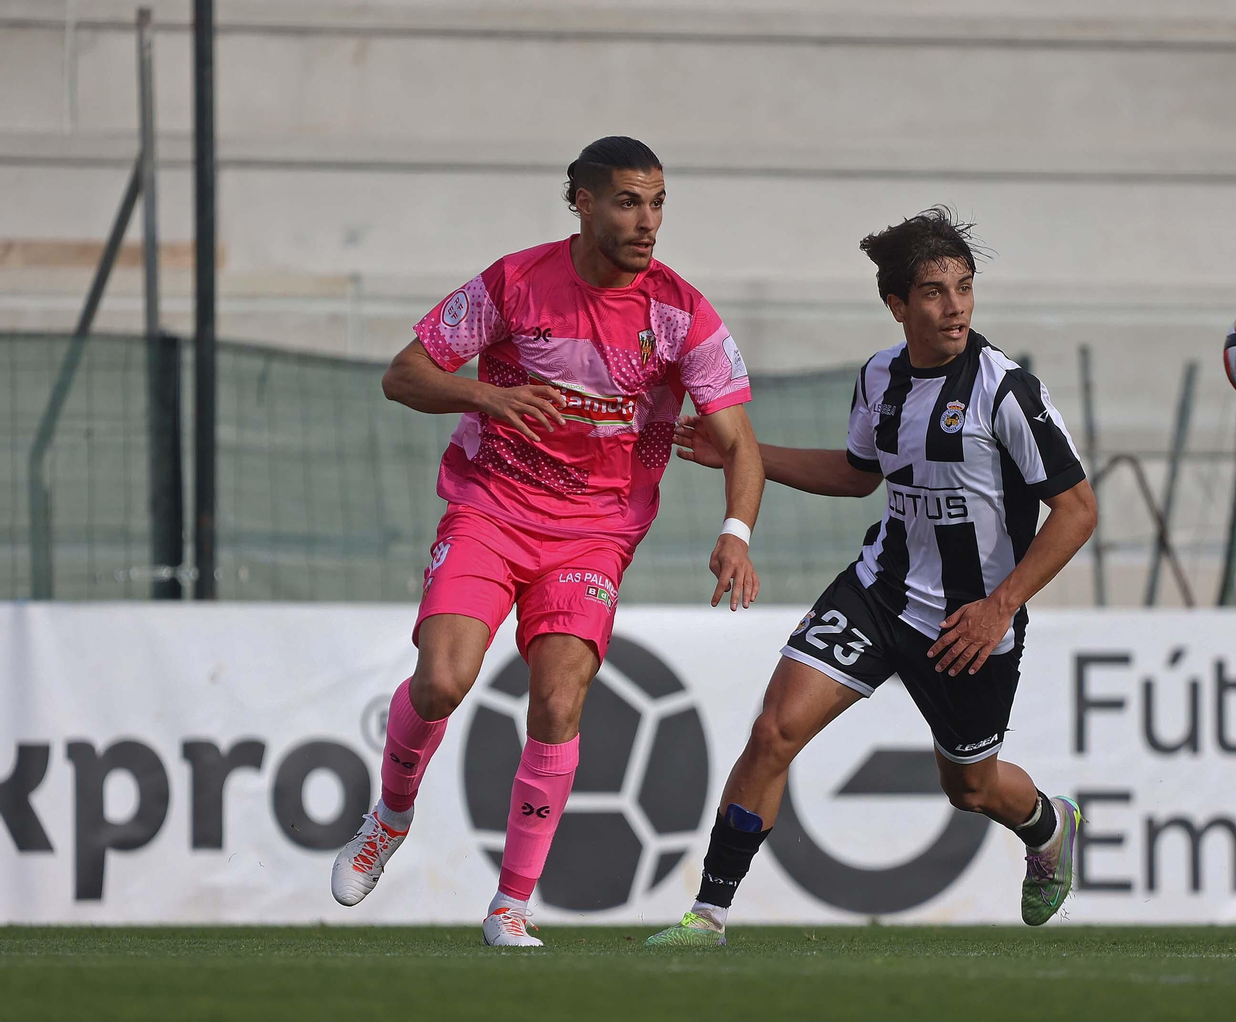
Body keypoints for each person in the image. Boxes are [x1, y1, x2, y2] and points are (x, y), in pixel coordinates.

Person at [330, 136, 764, 948]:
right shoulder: (516, 282)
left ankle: (510, 905)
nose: (648, 222)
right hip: (491, 508)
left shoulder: (681, 311)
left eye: (659, 202)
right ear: (583, 202)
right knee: (441, 683)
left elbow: (740, 441)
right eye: (630, 202)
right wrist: (488, 396)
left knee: (560, 700)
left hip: (595, 533)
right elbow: (404, 373)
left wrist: (735, 532)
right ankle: (388, 818)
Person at [647, 208, 1097, 945]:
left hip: (968, 623)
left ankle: (1050, 824)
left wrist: (998, 607)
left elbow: (1077, 511)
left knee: (972, 787)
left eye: (964, 287)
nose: (954, 306)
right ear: (897, 305)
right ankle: (710, 915)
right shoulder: (880, 377)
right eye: (933, 292)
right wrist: (742, 453)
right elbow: (858, 476)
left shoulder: (1005, 390)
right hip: (878, 591)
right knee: (774, 732)